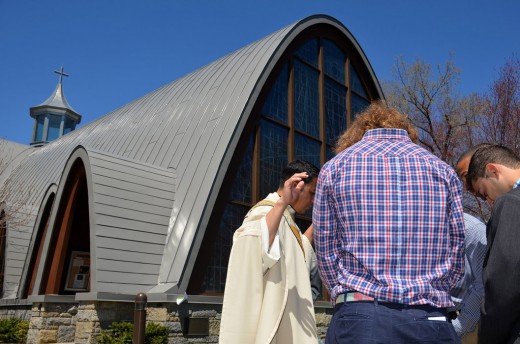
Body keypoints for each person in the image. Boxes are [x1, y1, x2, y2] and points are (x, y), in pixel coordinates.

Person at [313, 101, 465, 343]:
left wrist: (349, 292)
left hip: (359, 317)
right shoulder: (443, 171)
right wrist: (434, 289)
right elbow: (457, 250)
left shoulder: (335, 168)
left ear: (358, 132)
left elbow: (326, 249)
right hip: (428, 317)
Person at [219, 160, 320, 344]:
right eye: (312, 193)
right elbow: (258, 244)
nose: (313, 201)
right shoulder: (266, 211)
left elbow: (297, 253)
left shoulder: (286, 219)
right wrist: (283, 202)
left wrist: (317, 222)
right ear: (296, 185)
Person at [466, 145, 520, 344]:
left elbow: (504, 282)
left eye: (483, 192)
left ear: (492, 170)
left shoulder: (511, 203)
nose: (488, 201)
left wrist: (488, 337)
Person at [450, 145, 489, 343]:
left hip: (463, 328)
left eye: (467, 175)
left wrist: (460, 325)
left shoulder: (472, 229)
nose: (467, 186)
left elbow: (484, 282)